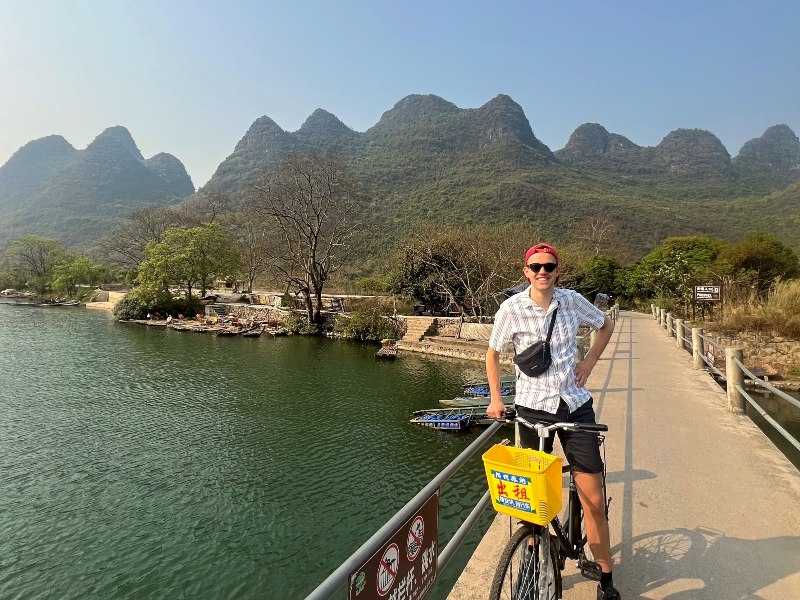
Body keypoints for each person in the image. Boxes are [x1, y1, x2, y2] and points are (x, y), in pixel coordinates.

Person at [486, 242, 619, 600]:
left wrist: (589, 362)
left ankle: (606, 576)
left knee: (592, 496)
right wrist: (497, 399)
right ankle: (534, 550)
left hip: (575, 408)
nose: (542, 272)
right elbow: (493, 353)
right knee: (530, 501)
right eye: (536, 267)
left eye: (549, 266)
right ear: (526, 272)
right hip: (531, 411)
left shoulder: (572, 301)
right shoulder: (511, 309)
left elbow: (605, 326)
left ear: (557, 270)